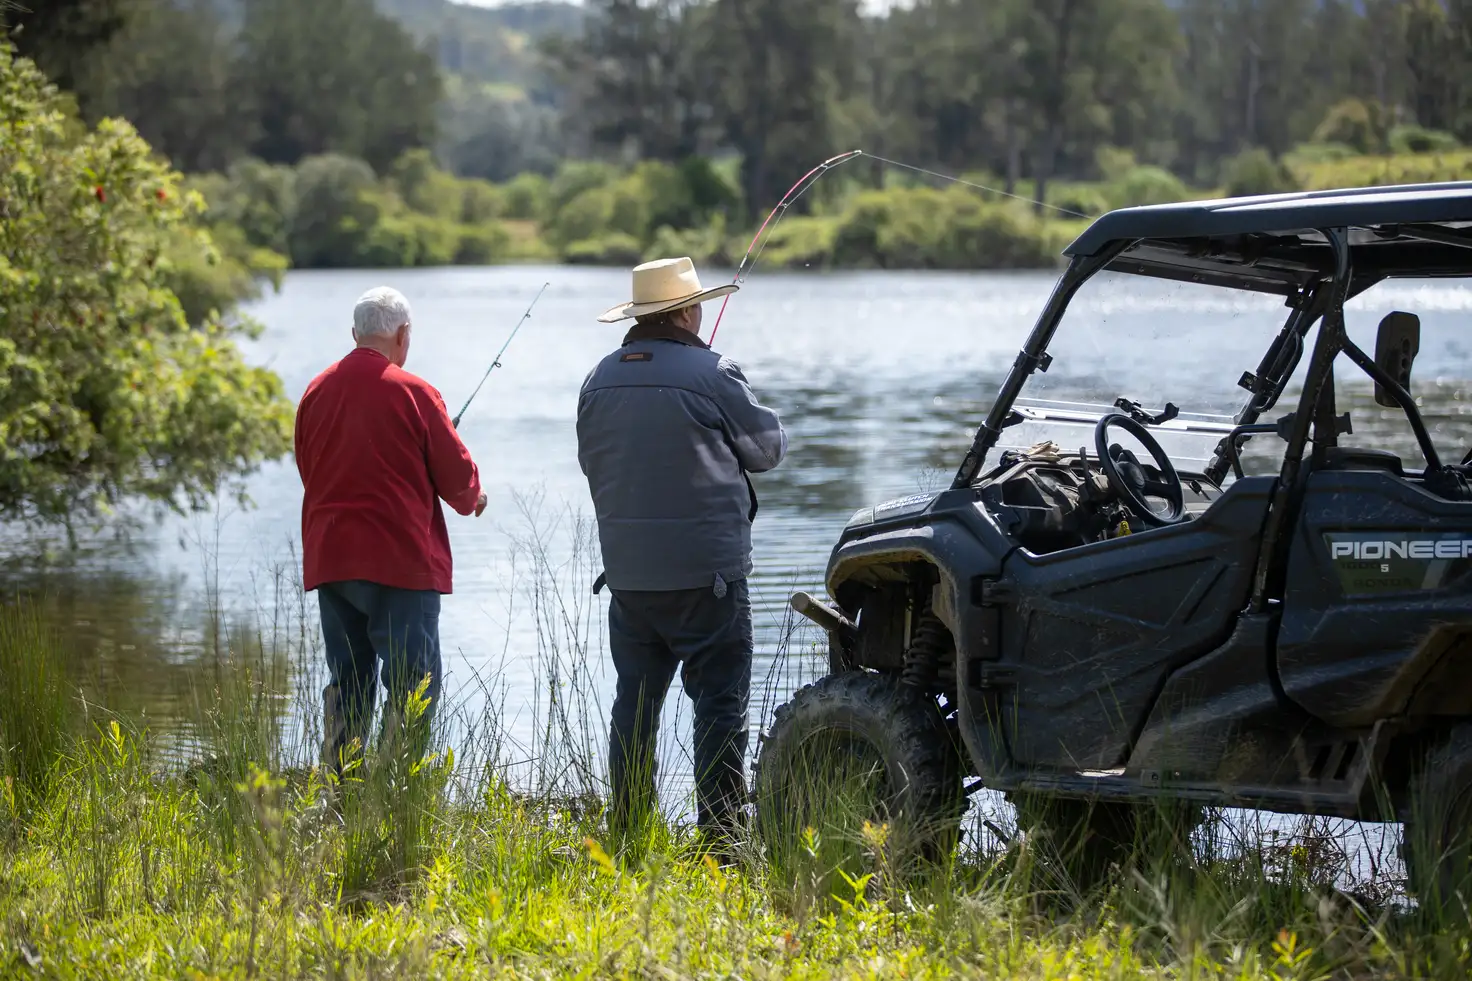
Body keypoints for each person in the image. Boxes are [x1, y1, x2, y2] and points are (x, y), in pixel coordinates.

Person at [577, 257, 789, 853]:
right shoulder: (714, 372)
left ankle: (627, 833)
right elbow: (768, 451)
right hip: (707, 577)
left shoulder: (596, 380)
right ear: (689, 311)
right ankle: (720, 842)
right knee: (720, 704)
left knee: (635, 703)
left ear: (640, 316)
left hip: (629, 578)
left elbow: (592, 462)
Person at [295, 286, 488, 772]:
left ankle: (340, 792)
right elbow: (459, 482)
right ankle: (395, 796)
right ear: (403, 334)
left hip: (332, 559)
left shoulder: (314, 392)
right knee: (412, 686)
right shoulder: (417, 393)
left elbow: (309, 470)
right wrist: (475, 497)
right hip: (400, 564)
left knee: (348, 682)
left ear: (354, 334)